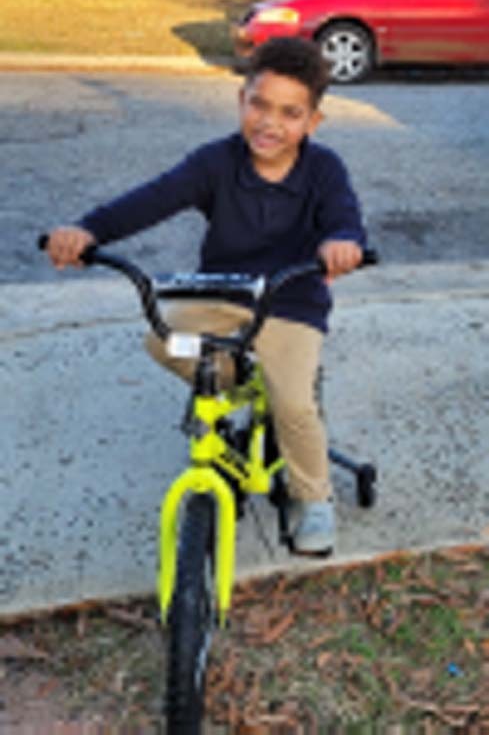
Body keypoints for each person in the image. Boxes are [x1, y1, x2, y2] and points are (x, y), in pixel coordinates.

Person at [45, 37, 367, 556]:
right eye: (259, 104)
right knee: (163, 339)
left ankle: (313, 497)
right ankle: (234, 379)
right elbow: (150, 199)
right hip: (224, 293)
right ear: (242, 99)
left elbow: (344, 217)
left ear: (313, 122)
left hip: (290, 302)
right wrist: (87, 231)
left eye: (290, 113)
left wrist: (343, 243)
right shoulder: (214, 163)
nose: (269, 122)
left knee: (294, 405)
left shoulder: (323, 170)